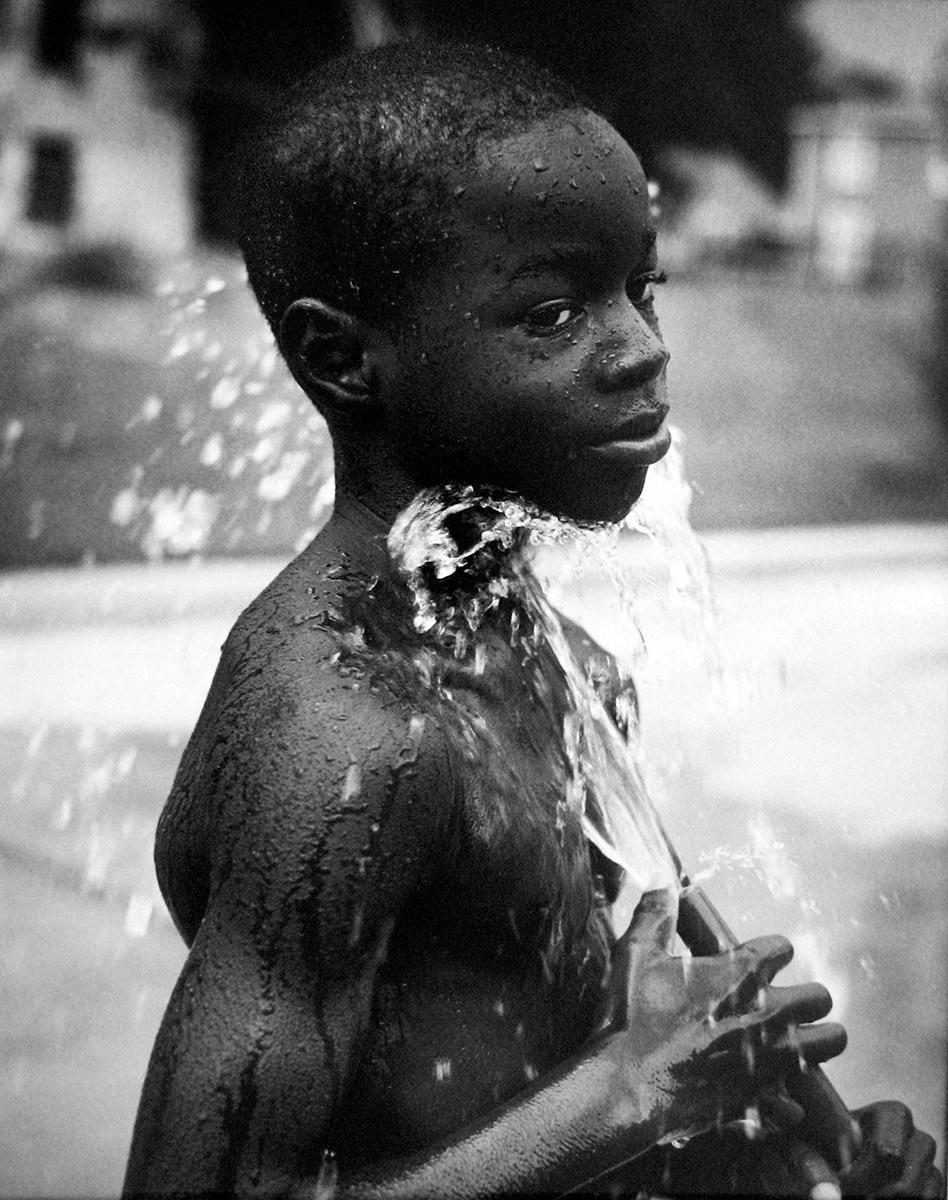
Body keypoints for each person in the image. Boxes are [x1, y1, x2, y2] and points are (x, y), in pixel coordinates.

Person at [124, 41, 942, 1198]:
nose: (645, 349)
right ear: (341, 356)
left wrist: (813, 1150)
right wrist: (632, 1092)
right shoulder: (342, 735)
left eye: (640, 289)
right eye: (555, 313)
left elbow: (616, 1019)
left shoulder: (561, 659)